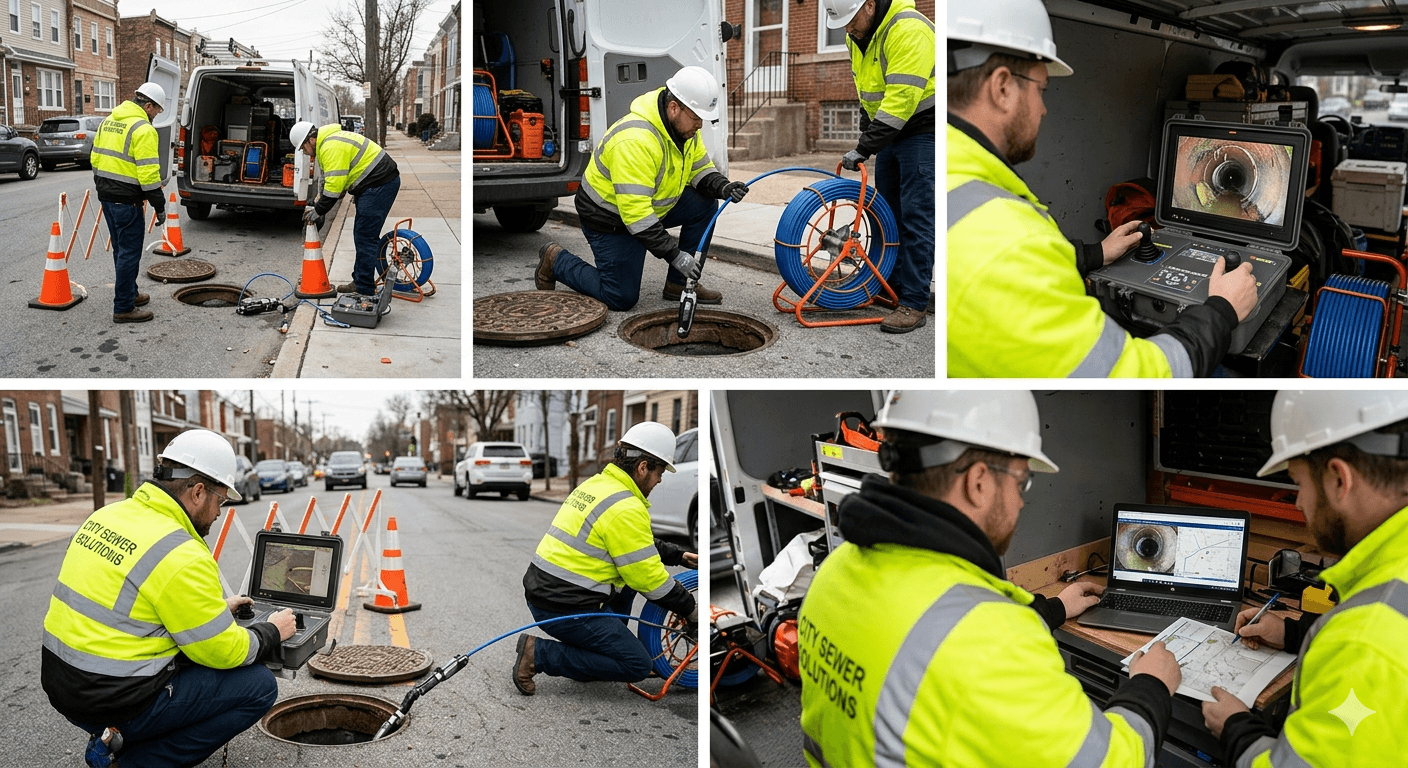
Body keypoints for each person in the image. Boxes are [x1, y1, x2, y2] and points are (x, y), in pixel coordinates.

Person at [798, 390, 1182, 767]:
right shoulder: (992, 643)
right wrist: (1151, 686)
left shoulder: (836, 570)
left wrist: (1054, 608)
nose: (1020, 502)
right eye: (1021, 483)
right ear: (979, 481)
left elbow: (932, 626)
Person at [946, 0, 1260, 377]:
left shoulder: (957, 181)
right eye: (1042, 89)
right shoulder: (1010, 242)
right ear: (1002, 87)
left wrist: (1094, 254)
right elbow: (1138, 373)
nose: (1044, 109)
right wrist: (1222, 310)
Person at [41, 429, 296, 767]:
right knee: (259, 686)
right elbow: (225, 651)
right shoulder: (181, 553)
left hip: (62, 685)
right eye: (220, 499)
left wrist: (217, 610)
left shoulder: (106, 516)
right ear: (198, 492)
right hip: (114, 699)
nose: (219, 512)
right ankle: (137, 760)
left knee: (189, 653)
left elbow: (132, 609)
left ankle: (112, 739)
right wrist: (272, 631)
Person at [1203, 390, 1408, 767]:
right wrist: (1291, 634)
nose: (1297, 503)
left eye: (1299, 483)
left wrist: (1237, 729)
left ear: (1338, 480)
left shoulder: (1364, 643)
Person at [535, 66, 749, 311]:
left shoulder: (685, 130)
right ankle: (556, 260)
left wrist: (724, 187)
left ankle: (678, 284)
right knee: (620, 297)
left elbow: (700, 169)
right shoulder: (636, 140)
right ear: (674, 108)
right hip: (610, 220)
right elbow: (636, 215)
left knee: (705, 204)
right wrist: (675, 255)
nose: (700, 125)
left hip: (646, 210)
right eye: (696, 117)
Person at [515, 422, 699, 694]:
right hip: (563, 606)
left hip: (548, 594)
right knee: (636, 665)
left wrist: (677, 555)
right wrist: (692, 611)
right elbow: (651, 581)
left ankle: (599, 654)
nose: (659, 480)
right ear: (643, 467)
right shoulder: (625, 507)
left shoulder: (598, 485)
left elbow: (633, 544)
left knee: (628, 583)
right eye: (660, 471)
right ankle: (538, 654)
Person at [824, 0, 935, 334]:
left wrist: (863, 147)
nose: (847, 28)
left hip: (922, 131)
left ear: (870, 6)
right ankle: (892, 287)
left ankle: (914, 302)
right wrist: (866, 131)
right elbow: (867, 91)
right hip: (891, 132)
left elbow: (901, 100)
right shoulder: (857, 36)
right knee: (886, 216)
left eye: (850, 19)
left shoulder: (908, 28)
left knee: (916, 218)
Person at [290, 120, 401, 299]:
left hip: (379, 183)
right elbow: (333, 183)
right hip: (373, 183)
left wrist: (318, 211)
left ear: (310, 140)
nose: (305, 153)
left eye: (303, 148)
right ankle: (360, 280)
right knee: (362, 234)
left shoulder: (330, 147)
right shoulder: (328, 143)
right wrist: (319, 202)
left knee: (365, 236)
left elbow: (333, 191)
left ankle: (364, 289)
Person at [92, 82, 168, 324]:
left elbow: (95, 158)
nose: (157, 115)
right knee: (129, 253)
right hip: (127, 201)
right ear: (148, 105)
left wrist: (105, 187)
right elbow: (149, 175)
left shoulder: (109, 120)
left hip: (107, 196)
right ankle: (124, 307)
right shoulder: (143, 129)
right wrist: (160, 205)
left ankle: (130, 293)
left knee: (120, 250)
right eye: (157, 110)